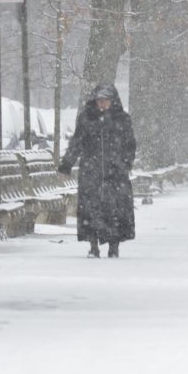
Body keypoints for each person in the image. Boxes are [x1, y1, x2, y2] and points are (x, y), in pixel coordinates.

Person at [58, 84, 136, 258]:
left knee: (115, 210)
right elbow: (76, 142)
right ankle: (93, 245)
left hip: (115, 174)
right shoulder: (87, 118)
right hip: (91, 173)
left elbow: (130, 144)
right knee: (91, 209)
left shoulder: (122, 119)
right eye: (99, 100)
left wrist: (125, 163)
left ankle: (114, 246)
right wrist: (66, 164)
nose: (102, 104)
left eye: (106, 100)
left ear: (112, 101)